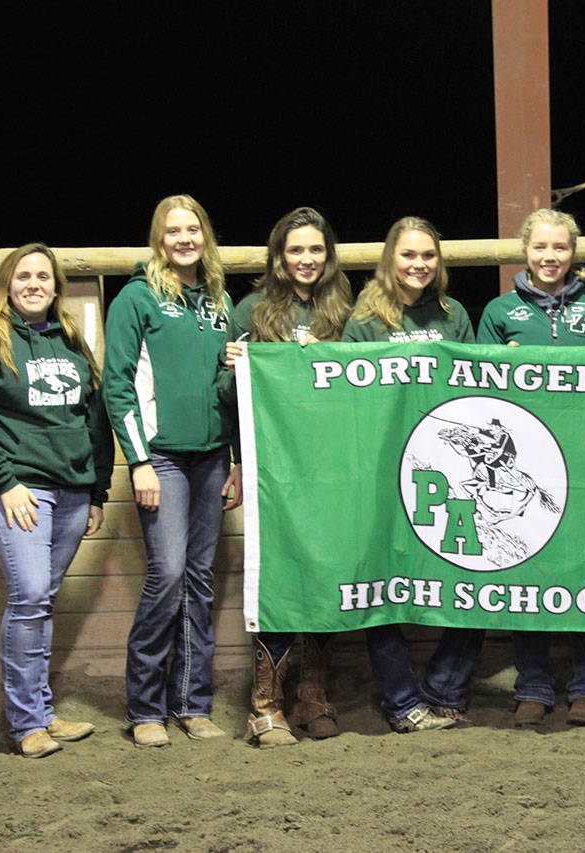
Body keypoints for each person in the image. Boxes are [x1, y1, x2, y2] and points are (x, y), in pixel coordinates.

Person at [0, 243, 114, 758]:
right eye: (24, 276)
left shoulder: (70, 341)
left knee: (41, 601)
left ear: (56, 286)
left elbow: (93, 418)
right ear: (7, 283)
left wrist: (96, 489)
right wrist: (4, 482)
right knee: (31, 596)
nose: (34, 284)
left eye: (44, 276)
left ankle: (42, 713)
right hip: (19, 489)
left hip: (71, 492)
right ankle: (26, 724)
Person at [477, 208, 585, 726]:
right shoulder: (499, 312)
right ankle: (534, 685)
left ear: (573, 253)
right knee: (527, 568)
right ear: (526, 251)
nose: (550, 257)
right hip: (528, 464)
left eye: (560, 248)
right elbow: (477, 392)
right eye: (540, 247)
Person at [104, 194, 240, 747]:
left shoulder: (219, 301)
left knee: (200, 581)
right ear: (158, 239)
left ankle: (192, 703)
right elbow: (118, 385)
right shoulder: (137, 299)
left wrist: (231, 457)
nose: (184, 239)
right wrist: (138, 461)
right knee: (167, 576)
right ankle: (145, 708)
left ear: (204, 236)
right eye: (173, 231)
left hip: (211, 458)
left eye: (193, 229)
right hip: (161, 457)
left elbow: (224, 391)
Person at [342, 216, 481, 733]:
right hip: (385, 468)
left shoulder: (454, 314)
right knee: (381, 584)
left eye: (428, 255)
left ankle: (446, 685)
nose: (419, 264)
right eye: (408, 255)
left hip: (448, 471)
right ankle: (402, 702)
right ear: (390, 259)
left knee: (480, 571)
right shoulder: (365, 319)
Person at [222, 207, 353, 747]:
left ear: (328, 255)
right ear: (278, 257)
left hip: (332, 467)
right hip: (274, 470)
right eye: (295, 250)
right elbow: (226, 400)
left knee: (326, 573)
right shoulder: (250, 310)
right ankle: (265, 703)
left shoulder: (348, 312)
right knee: (276, 575)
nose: (306, 260)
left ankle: (312, 695)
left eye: (315, 250)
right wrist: (234, 370)